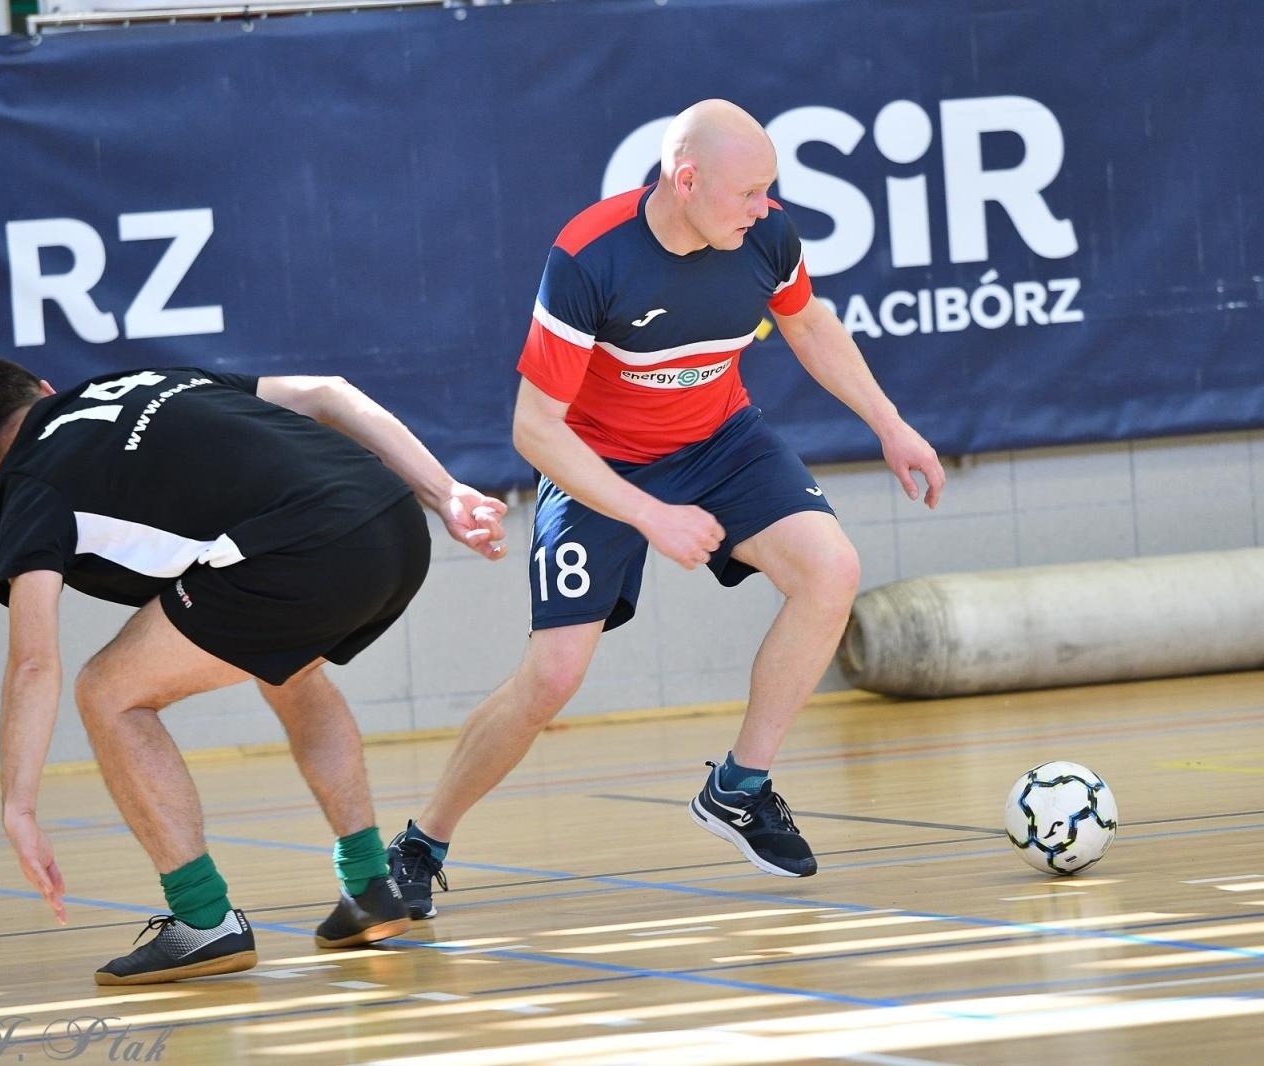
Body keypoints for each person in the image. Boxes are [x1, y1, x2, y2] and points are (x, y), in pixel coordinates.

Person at [385, 98, 945, 916]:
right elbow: (534, 430)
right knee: (554, 675)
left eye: (770, 191)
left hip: (722, 440)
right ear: (686, 181)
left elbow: (810, 326)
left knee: (832, 572)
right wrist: (649, 514)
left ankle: (740, 788)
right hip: (600, 463)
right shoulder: (589, 256)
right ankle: (422, 843)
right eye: (750, 191)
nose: (766, 207)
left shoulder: (766, 237)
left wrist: (891, 425)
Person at [0, 358, 508, 985]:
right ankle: (371, 886)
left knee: (106, 692)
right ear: (47, 389)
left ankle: (203, 919)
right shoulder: (140, 379)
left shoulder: (23, 486)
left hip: (303, 554)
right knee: (288, 671)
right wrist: (447, 492)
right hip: (395, 519)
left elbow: (32, 660)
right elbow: (327, 391)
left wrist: (18, 805)